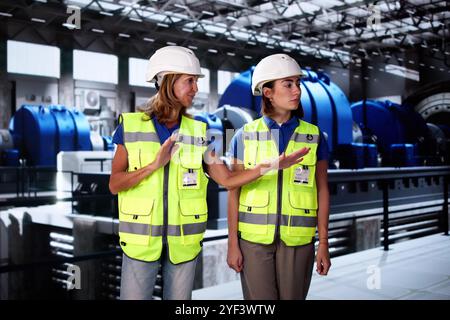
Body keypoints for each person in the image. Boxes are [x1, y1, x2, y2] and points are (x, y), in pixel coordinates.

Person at [109, 46, 310, 300]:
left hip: (184, 246)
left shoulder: (198, 132)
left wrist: (273, 165)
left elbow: (227, 180)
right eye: (189, 81)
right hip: (140, 244)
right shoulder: (130, 126)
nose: (195, 88)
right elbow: (114, 184)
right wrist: (153, 166)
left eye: (196, 82)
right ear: (168, 81)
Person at [227, 53, 331, 300]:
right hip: (253, 241)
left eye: (298, 83)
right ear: (268, 92)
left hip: (299, 240)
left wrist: (324, 243)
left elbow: (322, 190)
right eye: (288, 84)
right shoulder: (243, 136)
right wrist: (232, 244)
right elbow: (234, 191)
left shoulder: (315, 136)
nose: (297, 90)